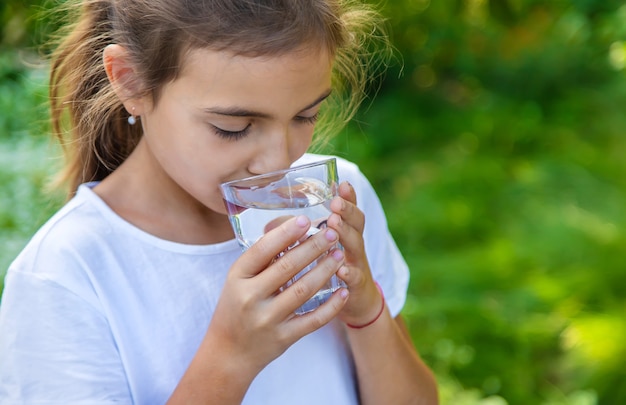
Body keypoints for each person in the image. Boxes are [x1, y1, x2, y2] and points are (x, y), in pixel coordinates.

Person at [0, 0, 438, 403]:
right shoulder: (67, 274)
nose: (278, 160)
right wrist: (231, 358)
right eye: (234, 127)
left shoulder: (335, 198)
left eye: (306, 116)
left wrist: (365, 308)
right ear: (130, 81)